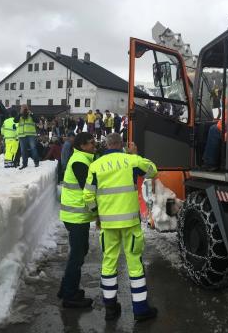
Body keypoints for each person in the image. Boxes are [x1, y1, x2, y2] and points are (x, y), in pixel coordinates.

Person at [83, 133, 158, 322]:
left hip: (107, 224)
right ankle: (140, 310)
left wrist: (97, 216)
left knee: (109, 263)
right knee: (134, 264)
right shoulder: (131, 161)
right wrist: (135, 155)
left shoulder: (95, 166)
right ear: (122, 145)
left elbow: (88, 197)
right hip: (130, 224)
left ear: (106, 145)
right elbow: (152, 170)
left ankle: (110, 309)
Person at [58, 132, 97, 308]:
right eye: (91, 143)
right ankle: (70, 295)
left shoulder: (84, 158)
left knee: (80, 252)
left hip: (77, 215)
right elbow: (88, 189)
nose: (94, 145)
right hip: (75, 216)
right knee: (77, 255)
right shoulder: (80, 161)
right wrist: (98, 212)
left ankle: (66, 288)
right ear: (82, 146)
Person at [15, 104, 40, 169]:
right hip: (22, 135)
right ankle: (24, 164)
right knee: (23, 150)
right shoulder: (20, 115)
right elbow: (15, 120)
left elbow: (37, 120)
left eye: (24, 108)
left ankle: (36, 162)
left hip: (30, 134)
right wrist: (19, 114)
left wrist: (31, 113)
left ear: (27, 108)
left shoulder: (31, 115)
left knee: (33, 148)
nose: (23, 109)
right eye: (22, 108)